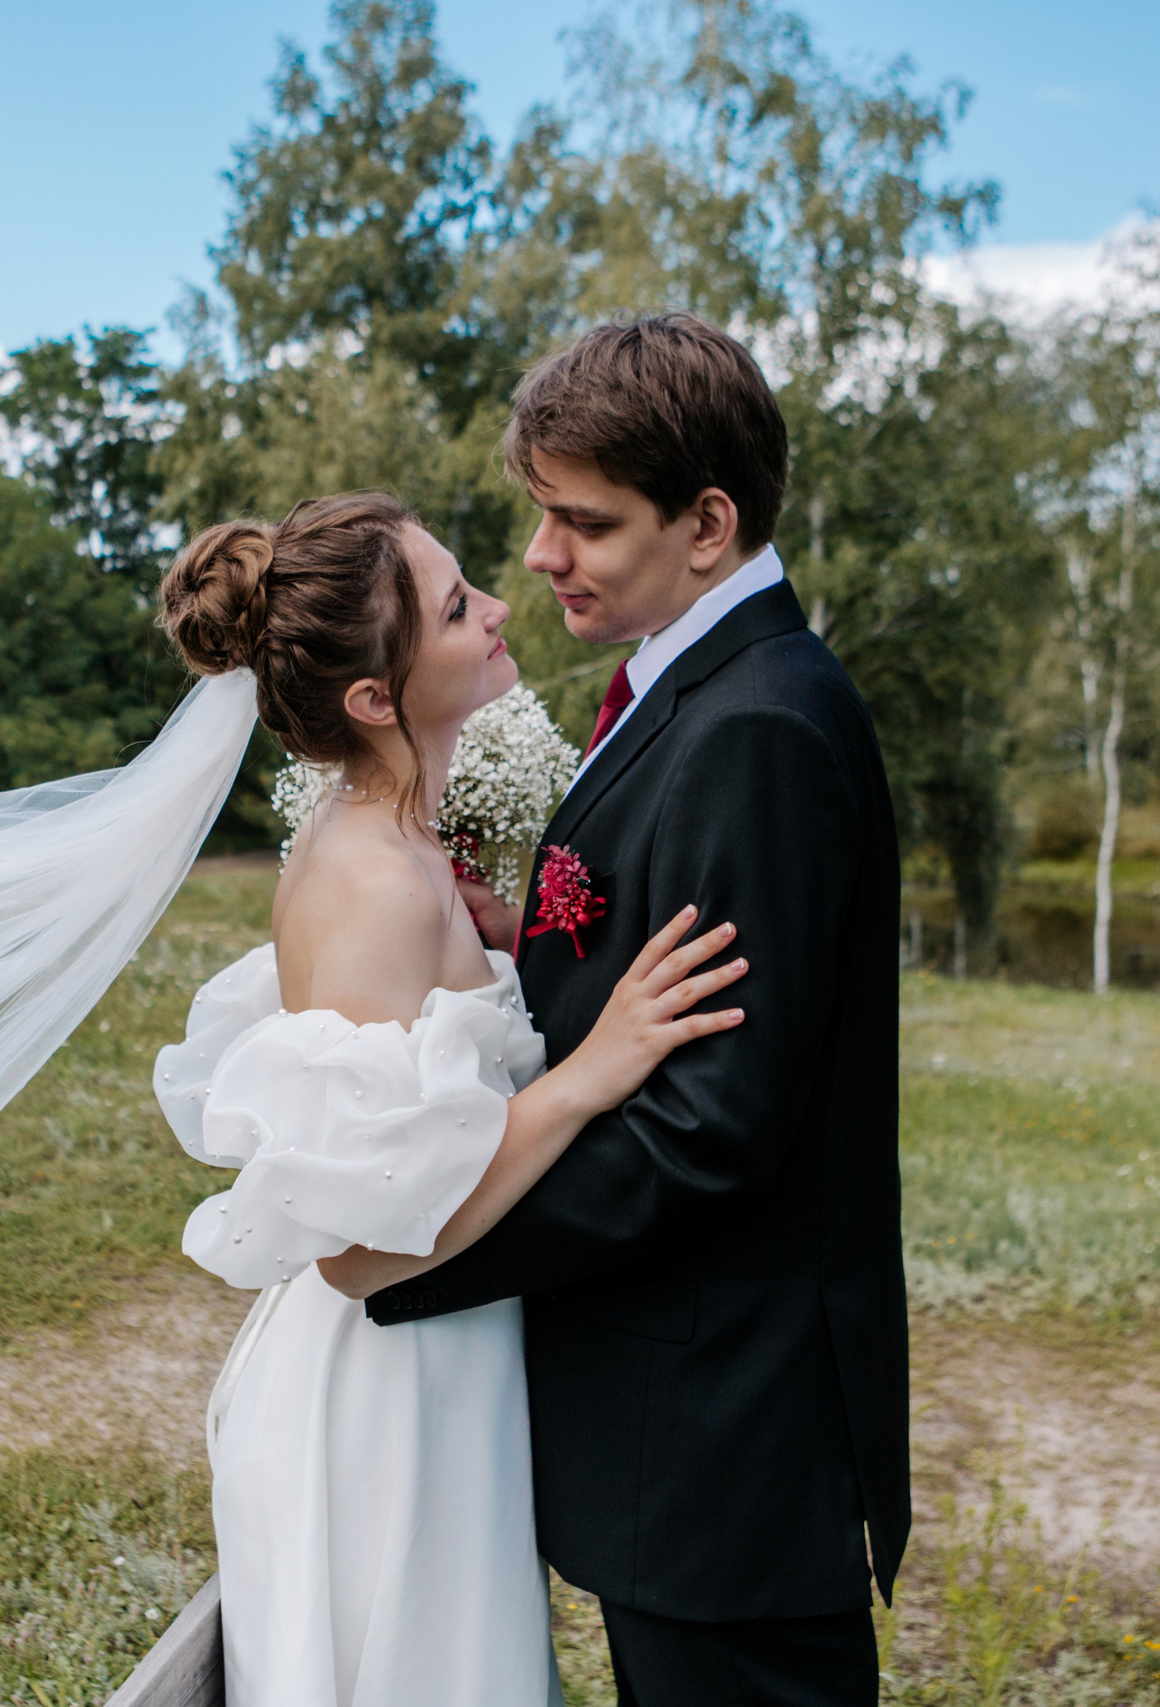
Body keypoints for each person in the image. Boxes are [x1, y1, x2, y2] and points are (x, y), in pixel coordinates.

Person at [321, 314, 911, 1707]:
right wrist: (526, 947)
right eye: (541, 515)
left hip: (728, 1438)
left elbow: (711, 1123)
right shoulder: (684, 683)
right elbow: (669, 968)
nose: (539, 557)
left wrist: (418, 1243)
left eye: (581, 522)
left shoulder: (758, 723)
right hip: (681, 1421)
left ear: (707, 522)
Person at [152, 491, 751, 1705]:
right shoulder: (372, 881)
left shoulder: (407, 848)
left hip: (447, 1374)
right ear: (375, 699)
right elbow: (362, 1254)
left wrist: (510, 948)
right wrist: (589, 1074)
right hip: (386, 1408)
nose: (497, 608)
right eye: (457, 606)